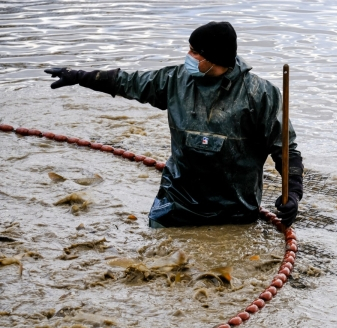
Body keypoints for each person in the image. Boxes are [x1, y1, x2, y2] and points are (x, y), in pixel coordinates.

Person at [44, 21, 303, 228]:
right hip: (176, 206)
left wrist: (292, 195)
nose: (188, 56)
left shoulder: (260, 94)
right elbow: (128, 82)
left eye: (194, 51)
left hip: (235, 211)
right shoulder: (175, 80)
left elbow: (286, 151)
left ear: (214, 58)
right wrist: (79, 76)